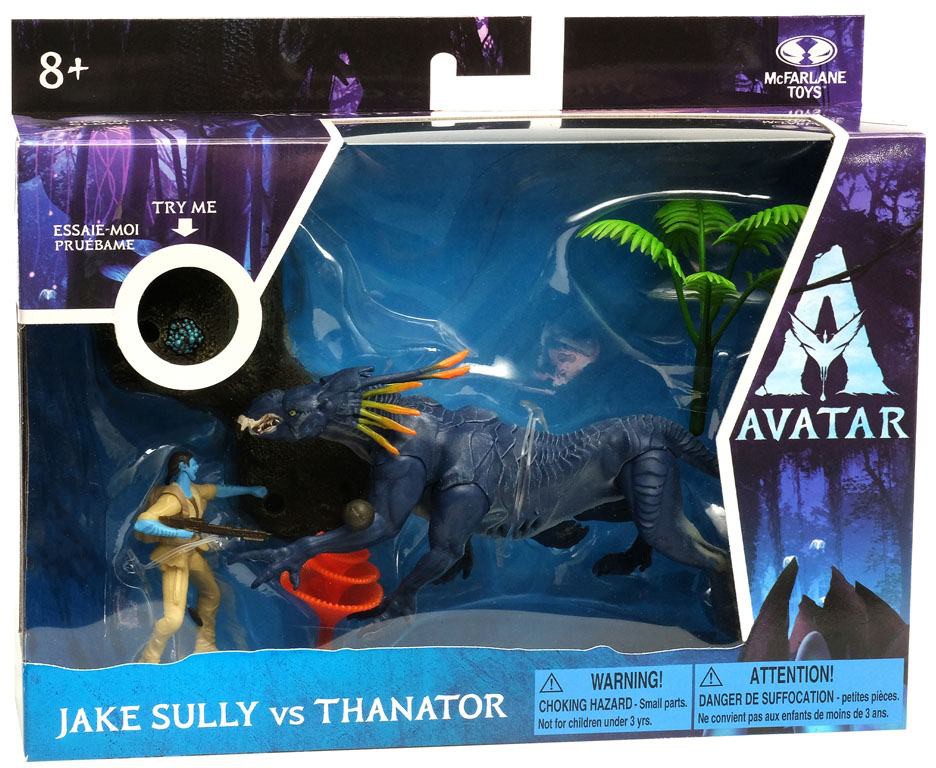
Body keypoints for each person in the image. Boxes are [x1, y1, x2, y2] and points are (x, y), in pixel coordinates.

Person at [134, 450, 267, 663]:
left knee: (212, 594)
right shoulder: (172, 498)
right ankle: (148, 658)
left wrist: (250, 490)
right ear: (183, 467)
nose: (197, 468)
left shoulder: (195, 491)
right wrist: (177, 533)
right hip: (174, 558)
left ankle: (204, 645)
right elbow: (144, 522)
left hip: (191, 552)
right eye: (194, 465)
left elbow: (220, 490)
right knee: (174, 619)